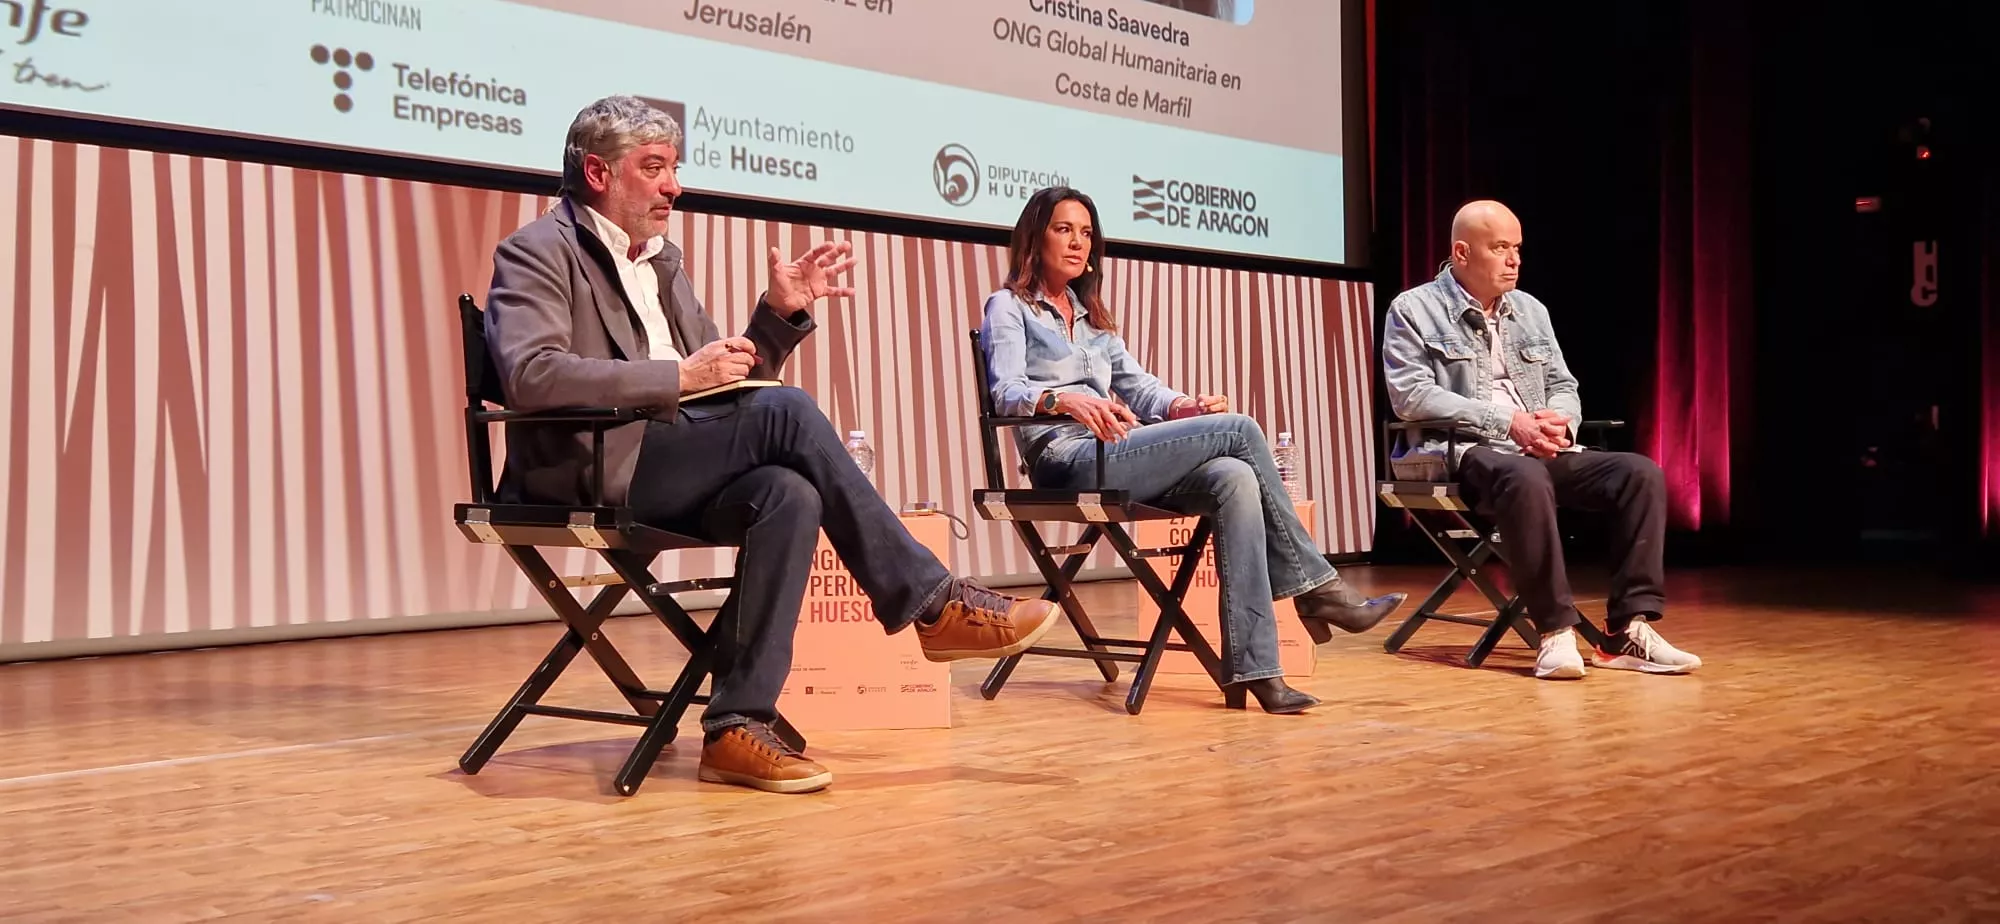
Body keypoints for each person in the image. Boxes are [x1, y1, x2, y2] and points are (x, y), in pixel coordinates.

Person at [484, 95, 1059, 793]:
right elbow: (530, 373)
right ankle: (932, 604)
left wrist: (776, 317)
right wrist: (677, 375)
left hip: (665, 456)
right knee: (785, 413)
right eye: (656, 167)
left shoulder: (663, 264)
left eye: (675, 168)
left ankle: (736, 728)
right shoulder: (537, 250)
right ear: (599, 173)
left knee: (787, 492)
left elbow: (727, 388)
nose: (675, 185)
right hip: (591, 465)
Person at [979, 186, 1408, 714]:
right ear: (1034, 237)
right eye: (1063, 229)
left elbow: (1142, 391)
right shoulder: (1009, 306)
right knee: (1241, 430)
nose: (1077, 243)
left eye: (1086, 233)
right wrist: (1063, 400)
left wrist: (1187, 405)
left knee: (1234, 476)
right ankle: (1317, 591)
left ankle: (1258, 673)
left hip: (1115, 453)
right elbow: (1006, 390)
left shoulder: (1094, 319)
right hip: (1064, 461)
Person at [1381, 199, 1702, 680]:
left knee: (1640, 473)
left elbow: (1563, 385)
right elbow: (1411, 396)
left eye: (1517, 248)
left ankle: (1627, 631)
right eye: (1500, 248)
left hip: (1534, 449)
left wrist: (1562, 423)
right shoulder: (1413, 309)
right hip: (1461, 452)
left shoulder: (1529, 310)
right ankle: (1554, 631)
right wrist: (1505, 422)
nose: (1514, 260)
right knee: (1524, 474)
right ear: (1462, 253)